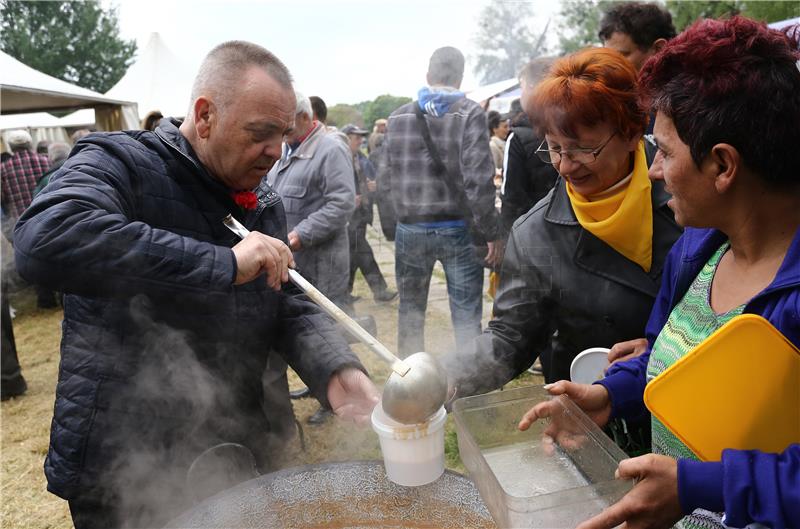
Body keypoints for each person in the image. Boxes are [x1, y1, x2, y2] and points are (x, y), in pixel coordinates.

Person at [14, 41, 379, 529]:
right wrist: (223, 264)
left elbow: (287, 296)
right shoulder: (119, 162)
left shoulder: (262, 199)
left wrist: (334, 368)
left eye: (284, 135)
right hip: (126, 461)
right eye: (261, 133)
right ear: (205, 115)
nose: (277, 150)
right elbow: (47, 237)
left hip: (234, 443)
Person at [520, 17, 800, 529]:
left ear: (723, 165)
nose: (652, 170)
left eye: (665, 152)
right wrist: (609, 395)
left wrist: (696, 485)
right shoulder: (697, 250)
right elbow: (669, 357)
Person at [444, 47, 682, 396]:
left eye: (583, 149)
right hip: (593, 411)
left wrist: (665, 351)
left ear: (631, 133)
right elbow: (511, 334)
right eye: (554, 148)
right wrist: (447, 375)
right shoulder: (536, 234)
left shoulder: (684, 192)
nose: (566, 166)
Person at [378, 46, 501, 356]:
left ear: (428, 75)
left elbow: (384, 180)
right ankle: (469, 388)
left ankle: (409, 387)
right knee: (465, 315)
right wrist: (490, 232)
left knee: (410, 312)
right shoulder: (470, 113)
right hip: (458, 229)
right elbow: (478, 180)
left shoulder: (398, 117)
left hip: (410, 229)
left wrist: (392, 228)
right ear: (460, 78)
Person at [500, 58, 559, 237]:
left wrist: (506, 240)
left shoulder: (518, 137)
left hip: (532, 235)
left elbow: (511, 196)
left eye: (522, 87)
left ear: (533, 88)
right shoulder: (573, 127)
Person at [341, 123, 396, 303]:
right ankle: (379, 291)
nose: (361, 140)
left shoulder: (359, 157)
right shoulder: (340, 158)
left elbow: (364, 182)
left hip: (361, 215)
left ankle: (344, 293)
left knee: (355, 255)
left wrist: (371, 187)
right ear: (347, 138)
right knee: (363, 253)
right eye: (357, 137)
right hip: (349, 218)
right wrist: (350, 198)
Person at [598, 1, 676, 73]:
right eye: (607, 56)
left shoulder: (684, 85)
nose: (610, 65)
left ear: (659, 48)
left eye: (621, 55)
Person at [0, 130, 49, 227]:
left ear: (10, 147)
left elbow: (2, 198)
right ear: (30, 144)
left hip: (21, 223)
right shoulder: (46, 161)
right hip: (47, 217)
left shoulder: (3, 168)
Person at [487, 110, 508, 175]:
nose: (508, 129)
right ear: (495, 129)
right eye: (505, 127)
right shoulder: (492, 146)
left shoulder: (503, 143)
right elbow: (493, 171)